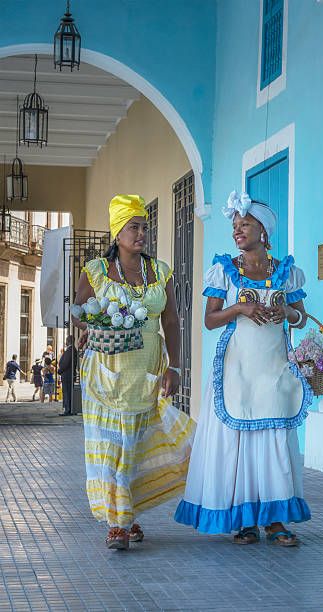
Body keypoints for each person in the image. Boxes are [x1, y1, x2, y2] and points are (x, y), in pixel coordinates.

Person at [175, 191, 313, 546]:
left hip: (275, 362)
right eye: (235, 226)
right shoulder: (225, 270)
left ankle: (276, 520)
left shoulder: (286, 271)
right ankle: (245, 520)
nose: (238, 231)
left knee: (274, 434)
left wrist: (288, 313)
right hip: (237, 364)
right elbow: (208, 320)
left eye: (245, 225)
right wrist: (240, 309)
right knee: (240, 438)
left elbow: (300, 318)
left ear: (263, 232)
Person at [71, 194, 195, 550]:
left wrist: (174, 365)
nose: (141, 234)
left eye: (145, 227)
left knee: (135, 449)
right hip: (106, 372)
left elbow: (171, 320)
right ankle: (119, 523)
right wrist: (93, 325)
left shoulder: (160, 272)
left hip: (146, 374)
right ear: (117, 232)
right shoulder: (95, 271)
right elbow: (79, 311)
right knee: (111, 450)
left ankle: (127, 515)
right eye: (134, 227)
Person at [58, 335, 77, 416]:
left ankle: (68, 410)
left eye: (66, 340)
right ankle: (68, 409)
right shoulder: (71, 349)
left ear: (68, 341)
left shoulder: (70, 350)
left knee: (67, 393)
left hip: (67, 375)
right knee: (67, 392)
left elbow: (65, 363)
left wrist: (60, 370)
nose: (65, 342)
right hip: (67, 375)